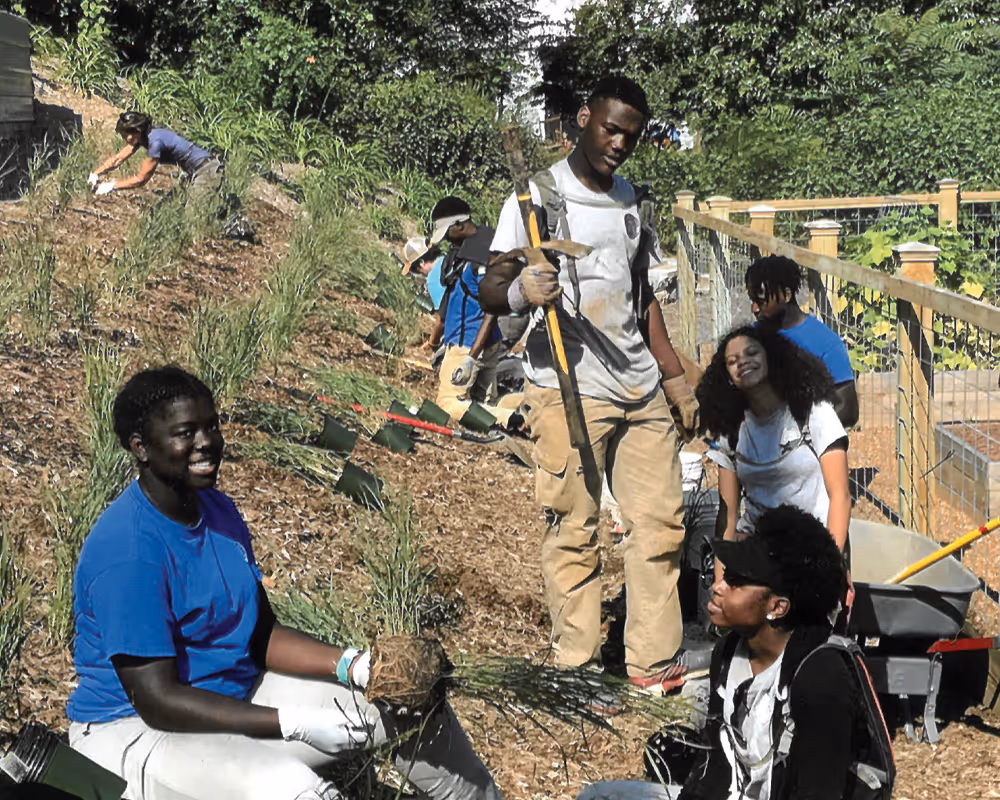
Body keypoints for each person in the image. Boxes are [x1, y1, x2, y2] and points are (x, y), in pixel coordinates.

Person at [66, 366, 503, 800]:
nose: (206, 443)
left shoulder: (217, 511)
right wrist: (290, 722)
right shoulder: (128, 551)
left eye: (212, 426)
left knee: (408, 705)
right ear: (141, 447)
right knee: (301, 793)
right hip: (137, 732)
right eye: (186, 432)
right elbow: (156, 699)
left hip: (233, 696)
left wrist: (354, 665)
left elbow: (259, 635)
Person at [481, 76, 700, 690]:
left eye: (631, 136)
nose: (618, 143)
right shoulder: (536, 198)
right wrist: (523, 288)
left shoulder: (631, 201)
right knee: (574, 529)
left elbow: (642, 294)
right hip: (567, 387)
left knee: (660, 527)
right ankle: (575, 666)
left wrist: (676, 380)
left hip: (638, 387)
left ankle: (652, 664)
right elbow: (490, 288)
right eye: (609, 128)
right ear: (583, 119)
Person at [576, 505, 886, 800]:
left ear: (777, 607)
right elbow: (715, 769)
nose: (718, 586)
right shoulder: (729, 650)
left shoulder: (821, 677)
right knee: (595, 796)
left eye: (737, 583)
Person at [697, 325, 851, 559]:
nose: (743, 362)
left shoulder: (814, 413)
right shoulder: (732, 428)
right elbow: (727, 517)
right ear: (727, 377)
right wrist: (720, 584)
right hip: (758, 548)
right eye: (732, 361)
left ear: (772, 357)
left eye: (752, 353)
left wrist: (833, 565)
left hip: (816, 547)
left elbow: (840, 496)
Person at [429, 196, 519, 427]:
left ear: (460, 225)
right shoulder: (478, 244)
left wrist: (470, 357)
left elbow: (492, 308)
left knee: (447, 402)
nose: (447, 238)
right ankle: (527, 409)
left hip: (469, 342)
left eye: (448, 231)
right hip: (485, 343)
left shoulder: (482, 255)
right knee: (486, 404)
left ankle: (514, 418)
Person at [745, 255, 859, 427]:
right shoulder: (749, 339)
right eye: (752, 300)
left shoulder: (826, 344)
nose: (754, 309)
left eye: (760, 301)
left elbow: (848, 409)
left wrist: (800, 435)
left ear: (786, 295)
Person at [88, 111, 224, 208]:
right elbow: (118, 159)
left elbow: (141, 179)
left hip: (207, 169)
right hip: (192, 171)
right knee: (165, 210)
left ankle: (231, 221)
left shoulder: (155, 142)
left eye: (125, 135)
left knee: (193, 215)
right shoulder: (142, 137)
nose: (124, 138)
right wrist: (96, 173)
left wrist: (112, 186)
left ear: (136, 131)